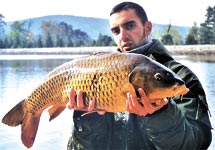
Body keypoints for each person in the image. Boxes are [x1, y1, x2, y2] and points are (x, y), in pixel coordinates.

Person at [67, 2, 212, 150]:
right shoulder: (99, 76)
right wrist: (87, 119)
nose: (123, 36)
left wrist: (160, 115)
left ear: (147, 28)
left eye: (130, 26)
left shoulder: (181, 77)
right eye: (116, 31)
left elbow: (197, 143)